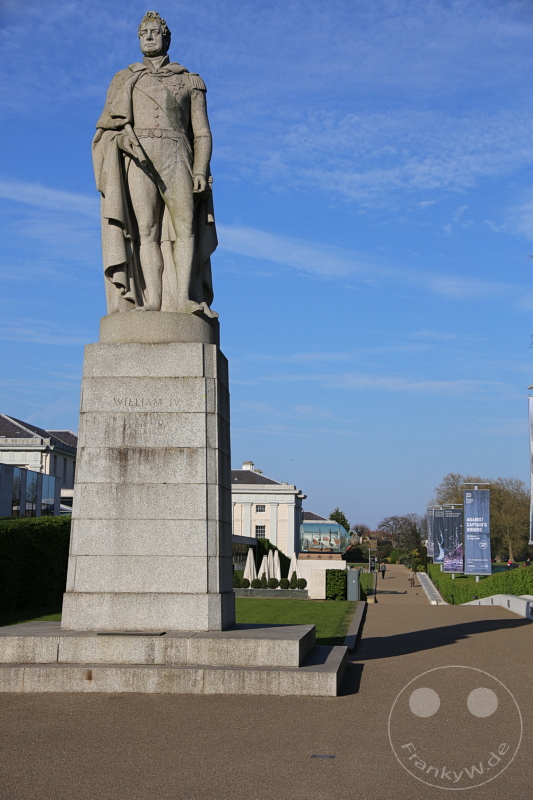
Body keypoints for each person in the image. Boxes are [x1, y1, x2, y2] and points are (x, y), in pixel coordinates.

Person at [92, 11, 218, 316]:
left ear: (166, 38)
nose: (148, 37)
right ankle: (153, 301)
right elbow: (107, 130)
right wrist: (122, 142)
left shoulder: (189, 80)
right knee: (145, 231)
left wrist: (200, 170)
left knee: (185, 229)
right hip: (139, 159)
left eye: (154, 32)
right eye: (143, 33)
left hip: (178, 156)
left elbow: (202, 133)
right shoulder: (125, 79)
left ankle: (183, 297)